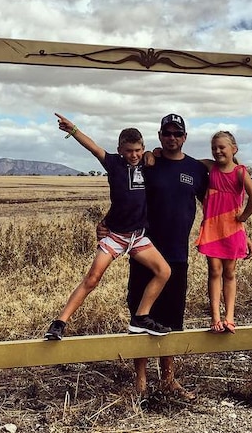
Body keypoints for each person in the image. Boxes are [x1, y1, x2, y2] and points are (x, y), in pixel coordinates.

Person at [44, 113, 172, 341]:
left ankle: (141, 317)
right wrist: (73, 130)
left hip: (138, 237)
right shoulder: (113, 164)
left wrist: (153, 153)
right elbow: (93, 147)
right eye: (129, 150)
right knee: (92, 279)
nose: (134, 155)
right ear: (120, 150)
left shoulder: (146, 162)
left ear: (142, 148)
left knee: (164, 271)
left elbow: (159, 154)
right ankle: (59, 323)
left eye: (138, 150)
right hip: (115, 235)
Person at [121, 113, 209, 399]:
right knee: (141, 315)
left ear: (184, 137)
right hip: (144, 250)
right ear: (160, 136)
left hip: (177, 254)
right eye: (167, 133)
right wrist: (109, 224)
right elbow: (126, 196)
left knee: (171, 318)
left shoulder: (196, 169)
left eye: (177, 134)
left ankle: (169, 380)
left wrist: (238, 231)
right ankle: (141, 382)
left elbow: (214, 203)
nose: (172, 138)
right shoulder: (149, 164)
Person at [195, 130, 252, 334]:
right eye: (214, 147)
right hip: (213, 227)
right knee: (214, 271)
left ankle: (229, 317)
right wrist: (158, 152)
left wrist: (242, 219)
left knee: (230, 273)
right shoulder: (210, 167)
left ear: (234, 149)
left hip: (232, 229)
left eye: (222, 147)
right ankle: (215, 317)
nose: (217, 151)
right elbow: (184, 161)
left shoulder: (240, 172)